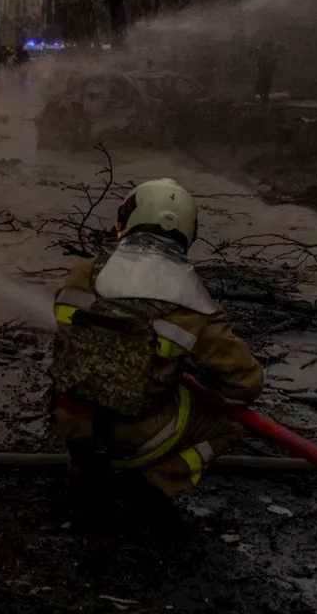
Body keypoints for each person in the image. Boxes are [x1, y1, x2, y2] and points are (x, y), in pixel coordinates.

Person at [48, 178, 264, 519]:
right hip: (138, 435)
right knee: (229, 426)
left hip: (70, 419)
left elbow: (68, 339)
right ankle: (157, 483)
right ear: (188, 231)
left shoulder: (83, 272)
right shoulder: (196, 303)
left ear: (127, 219)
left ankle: (83, 467)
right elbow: (245, 384)